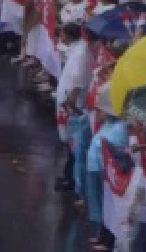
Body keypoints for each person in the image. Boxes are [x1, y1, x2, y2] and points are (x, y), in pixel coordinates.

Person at [55, 22, 93, 192]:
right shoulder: (77, 49)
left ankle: (70, 179)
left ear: (68, 35)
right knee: (70, 142)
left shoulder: (79, 54)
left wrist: (70, 104)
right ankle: (69, 176)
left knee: (72, 143)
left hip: (72, 107)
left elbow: (77, 82)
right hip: (69, 105)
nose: (60, 36)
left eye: (62, 33)